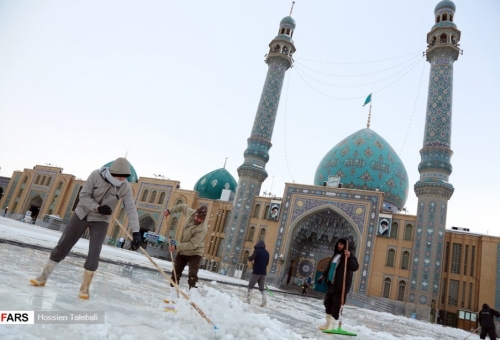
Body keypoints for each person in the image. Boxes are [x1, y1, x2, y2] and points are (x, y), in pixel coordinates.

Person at [30, 157, 142, 299]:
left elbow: (131, 208)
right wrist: (98, 208)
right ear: (113, 172)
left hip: (101, 220)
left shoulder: (125, 187)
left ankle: (85, 288)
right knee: (64, 244)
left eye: (125, 178)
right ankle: (43, 277)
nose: (122, 180)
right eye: (120, 176)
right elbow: (83, 196)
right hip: (82, 214)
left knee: (95, 252)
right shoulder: (96, 175)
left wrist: (136, 231)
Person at [164, 204, 208, 307]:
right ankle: (173, 296)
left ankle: (193, 299)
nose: (198, 220)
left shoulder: (202, 229)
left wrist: (176, 247)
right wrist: (169, 211)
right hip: (183, 250)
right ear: (195, 214)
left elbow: (192, 244)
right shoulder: (190, 212)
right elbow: (181, 207)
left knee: (192, 275)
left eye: (201, 219)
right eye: (197, 217)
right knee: (175, 272)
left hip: (195, 252)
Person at [317, 238, 359, 331]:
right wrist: (323, 276)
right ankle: (327, 323)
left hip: (340, 285)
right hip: (331, 283)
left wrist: (350, 256)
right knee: (327, 302)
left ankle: (332, 325)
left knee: (336, 305)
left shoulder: (348, 256)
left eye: (342, 244)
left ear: (346, 246)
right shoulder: (336, 256)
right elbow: (329, 267)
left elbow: (355, 267)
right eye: (338, 244)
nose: (339, 246)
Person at [246, 239, 270, 307]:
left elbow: (251, 258)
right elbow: (267, 263)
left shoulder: (257, 251)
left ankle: (248, 300)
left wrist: (249, 257)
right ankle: (264, 301)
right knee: (261, 288)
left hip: (256, 272)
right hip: (263, 273)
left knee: (250, 286)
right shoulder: (267, 253)